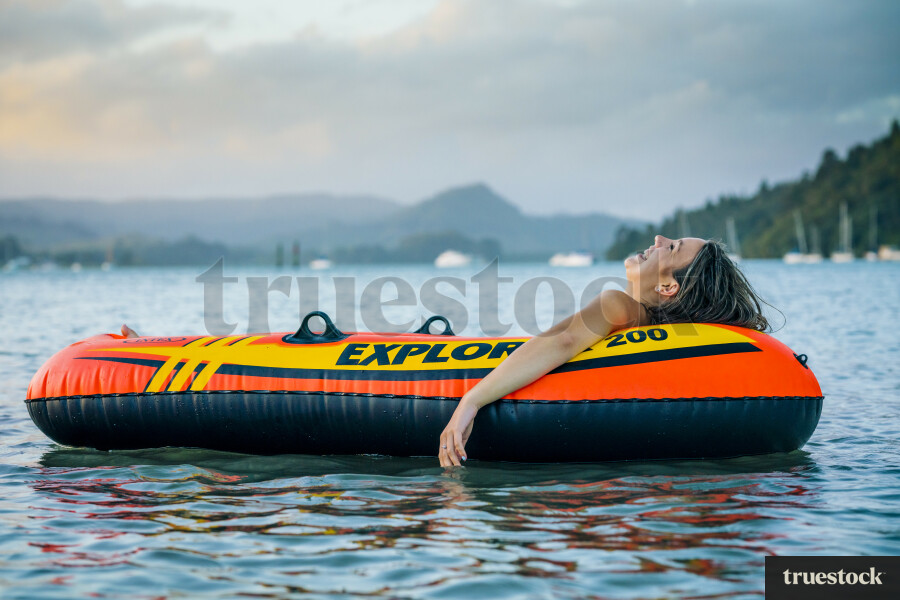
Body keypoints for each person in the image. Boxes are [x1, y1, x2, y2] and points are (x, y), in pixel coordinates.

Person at [438, 235, 770, 467]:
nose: (658, 239)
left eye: (671, 248)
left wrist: (471, 401)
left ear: (668, 287)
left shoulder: (620, 305)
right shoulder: (656, 329)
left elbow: (564, 340)